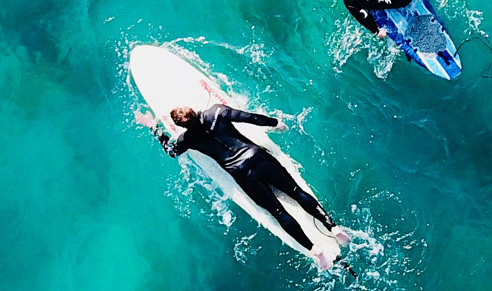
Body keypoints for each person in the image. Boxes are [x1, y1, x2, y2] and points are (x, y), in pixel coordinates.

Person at [136, 101, 350, 262]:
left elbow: (172, 151)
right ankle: (333, 228)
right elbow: (250, 118)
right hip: (259, 157)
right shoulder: (217, 111)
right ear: (193, 110)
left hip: (241, 173)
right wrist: (275, 123)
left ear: (181, 126)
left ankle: (315, 250)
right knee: (294, 190)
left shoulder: (187, 139)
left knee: (277, 212)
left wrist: (153, 127)